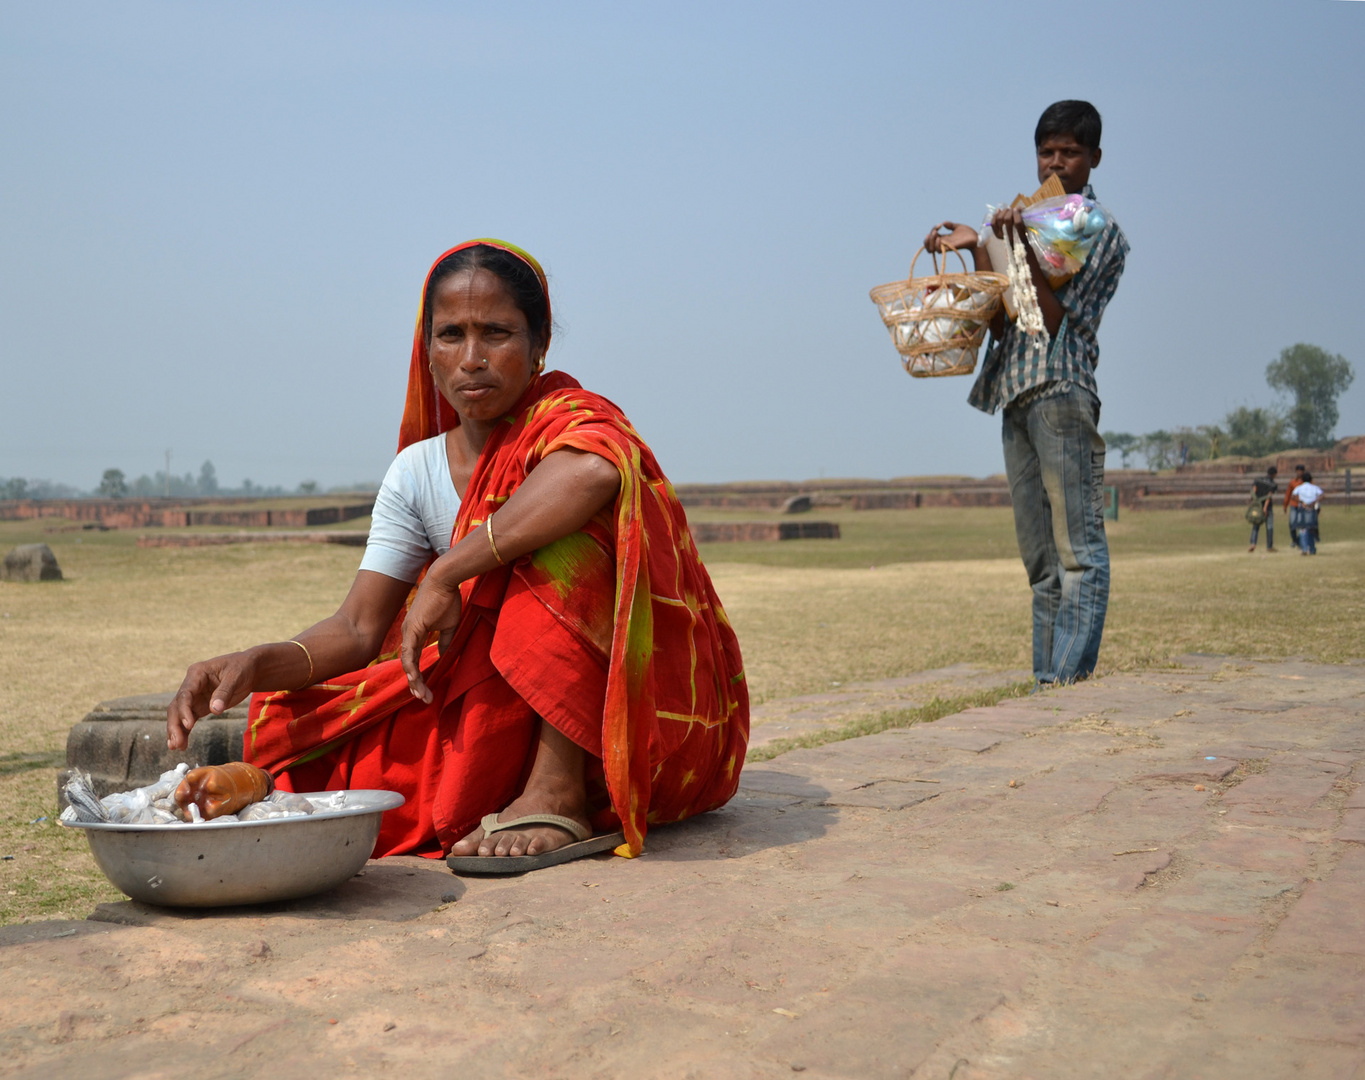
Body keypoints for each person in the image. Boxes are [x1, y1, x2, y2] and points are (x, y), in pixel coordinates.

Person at [165, 239, 750, 869]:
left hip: (614, 713)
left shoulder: (572, 425)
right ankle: (484, 785)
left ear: (539, 344)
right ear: (427, 350)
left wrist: (449, 568)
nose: (472, 359)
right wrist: (257, 661)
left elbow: (592, 476)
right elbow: (358, 628)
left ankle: (559, 790)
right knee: (313, 739)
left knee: (560, 546)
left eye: (497, 332)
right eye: (451, 335)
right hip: (493, 703)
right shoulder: (416, 472)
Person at [922, 100, 1129, 687]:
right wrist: (976, 247)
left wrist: (1021, 251)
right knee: (1041, 561)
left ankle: (1065, 681)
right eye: (1047, 152)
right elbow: (1006, 318)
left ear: (1094, 158)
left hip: (1061, 388)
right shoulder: (1027, 220)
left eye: (1070, 152)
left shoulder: (1099, 230)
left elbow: (1058, 320)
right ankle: (1047, 683)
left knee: (1078, 548)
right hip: (1015, 391)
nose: (1057, 163)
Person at [1292, 471, 1324, 555]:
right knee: (1311, 529)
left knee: (1303, 529)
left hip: (1303, 509)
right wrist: (1314, 502)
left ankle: (1304, 548)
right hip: (1312, 509)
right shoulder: (1314, 487)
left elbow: (1293, 496)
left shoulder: (1300, 487)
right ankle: (1312, 549)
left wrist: (1301, 501)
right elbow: (1322, 495)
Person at [1248, 465, 1278, 552]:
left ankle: (1253, 543)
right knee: (1269, 527)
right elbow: (1268, 497)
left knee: (1255, 525)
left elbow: (1254, 491)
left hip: (1257, 507)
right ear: (1274, 474)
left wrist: (1253, 502)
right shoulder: (1273, 484)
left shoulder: (1258, 480)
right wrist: (1265, 508)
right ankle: (1269, 546)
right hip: (1267, 508)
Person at [1284, 463, 1306, 548]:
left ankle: (1299, 540)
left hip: (1303, 505)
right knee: (1292, 523)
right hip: (1294, 505)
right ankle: (1294, 540)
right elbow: (1288, 494)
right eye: (1298, 471)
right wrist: (1285, 505)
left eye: (1301, 471)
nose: (1299, 473)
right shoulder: (1293, 482)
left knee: (1302, 524)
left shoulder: (1306, 482)